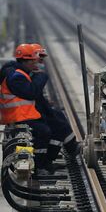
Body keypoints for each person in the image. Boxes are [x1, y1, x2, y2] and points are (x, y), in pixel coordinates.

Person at [0, 44, 80, 174]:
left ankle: (49, 161)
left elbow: (31, 96)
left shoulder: (21, 73)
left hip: (26, 114)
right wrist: (41, 76)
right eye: (36, 60)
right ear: (28, 60)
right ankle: (39, 165)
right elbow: (31, 92)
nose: (38, 63)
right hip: (18, 116)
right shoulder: (16, 77)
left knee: (57, 122)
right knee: (45, 131)